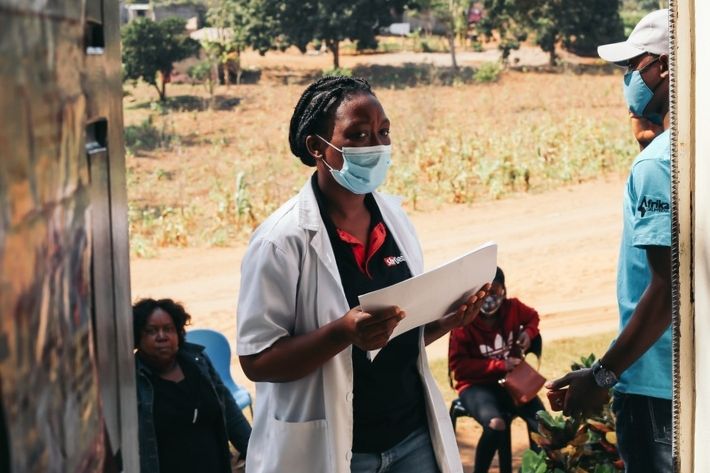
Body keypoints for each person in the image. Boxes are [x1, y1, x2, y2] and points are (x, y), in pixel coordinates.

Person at [236, 76, 489, 473]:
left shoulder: (394, 219)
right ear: (318, 147)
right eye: (358, 134)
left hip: (411, 439)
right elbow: (257, 359)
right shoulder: (281, 241)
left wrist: (443, 321)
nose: (376, 145)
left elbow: (396, 334)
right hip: (334, 450)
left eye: (383, 131)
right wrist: (342, 332)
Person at [547, 9, 672, 473]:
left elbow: (666, 290)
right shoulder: (685, 153)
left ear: (662, 68)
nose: (626, 80)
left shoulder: (658, 164)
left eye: (631, 66)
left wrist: (603, 376)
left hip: (656, 393)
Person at [133, 298, 252, 473]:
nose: (161, 337)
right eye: (151, 331)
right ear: (138, 337)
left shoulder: (198, 362)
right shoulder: (135, 378)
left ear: (178, 333)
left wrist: (253, 450)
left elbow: (229, 410)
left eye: (168, 329)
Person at [449, 267, 544, 473]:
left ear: (504, 290)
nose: (491, 298)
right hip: (476, 386)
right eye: (486, 293)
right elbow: (460, 368)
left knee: (542, 422)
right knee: (496, 424)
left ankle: (537, 469)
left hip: (512, 383)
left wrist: (528, 333)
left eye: (496, 291)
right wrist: (500, 365)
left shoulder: (513, 309)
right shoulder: (464, 323)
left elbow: (533, 317)